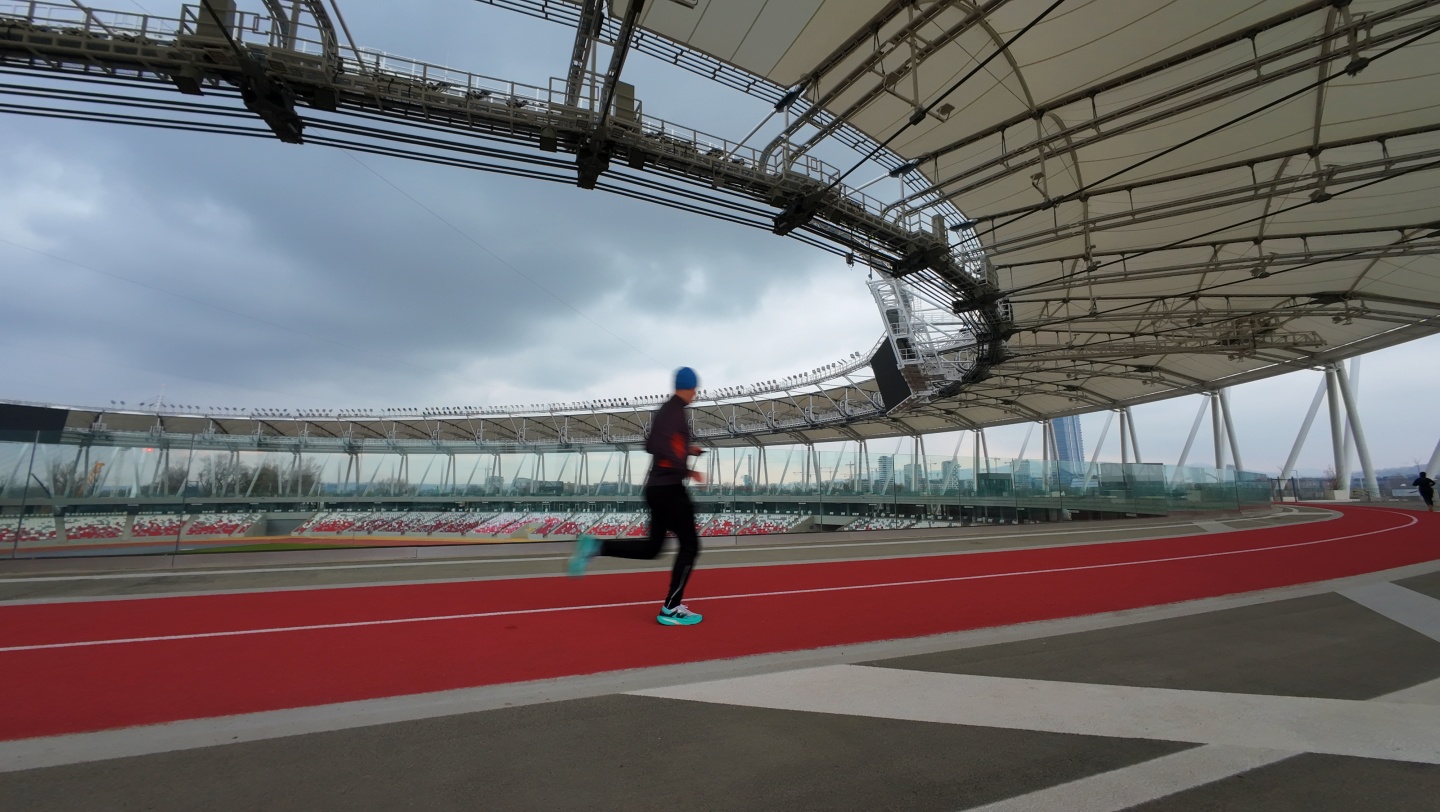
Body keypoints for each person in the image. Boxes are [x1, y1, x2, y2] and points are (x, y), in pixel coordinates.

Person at [569, 367, 707, 626]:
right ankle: (671, 607)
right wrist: (687, 469)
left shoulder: (668, 410)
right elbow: (655, 445)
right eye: (695, 389)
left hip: (658, 488)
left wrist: (688, 450)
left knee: (652, 548)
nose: (696, 394)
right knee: (690, 546)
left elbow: (655, 443)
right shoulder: (675, 411)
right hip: (669, 489)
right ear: (690, 388)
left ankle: (597, 546)